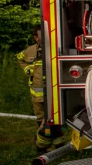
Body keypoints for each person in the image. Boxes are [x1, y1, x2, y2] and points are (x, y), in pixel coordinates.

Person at [17, 25, 65, 153]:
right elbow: (20, 58)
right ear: (36, 38)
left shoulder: (56, 49)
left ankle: (48, 143)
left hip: (53, 92)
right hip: (37, 93)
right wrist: (27, 69)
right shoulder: (30, 51)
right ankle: (48, 142)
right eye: (41, 36)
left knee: (54, 116)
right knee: (41, 118)